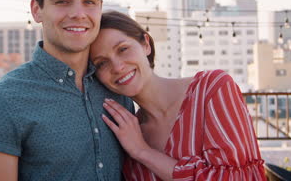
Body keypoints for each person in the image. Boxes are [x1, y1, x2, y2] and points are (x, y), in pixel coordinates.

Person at [0, 0, 134, 181]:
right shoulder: (2, 103)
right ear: (37, 10)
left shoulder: (118, 90)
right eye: (63, 1)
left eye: (89, 1)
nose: (78, 13)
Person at [90, 10, 266, 181]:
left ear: (146, 44)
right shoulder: (127, 132)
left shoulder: (212, 90)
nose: (117, 67)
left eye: (123, 49)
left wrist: (143, 152)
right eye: (102, 63)